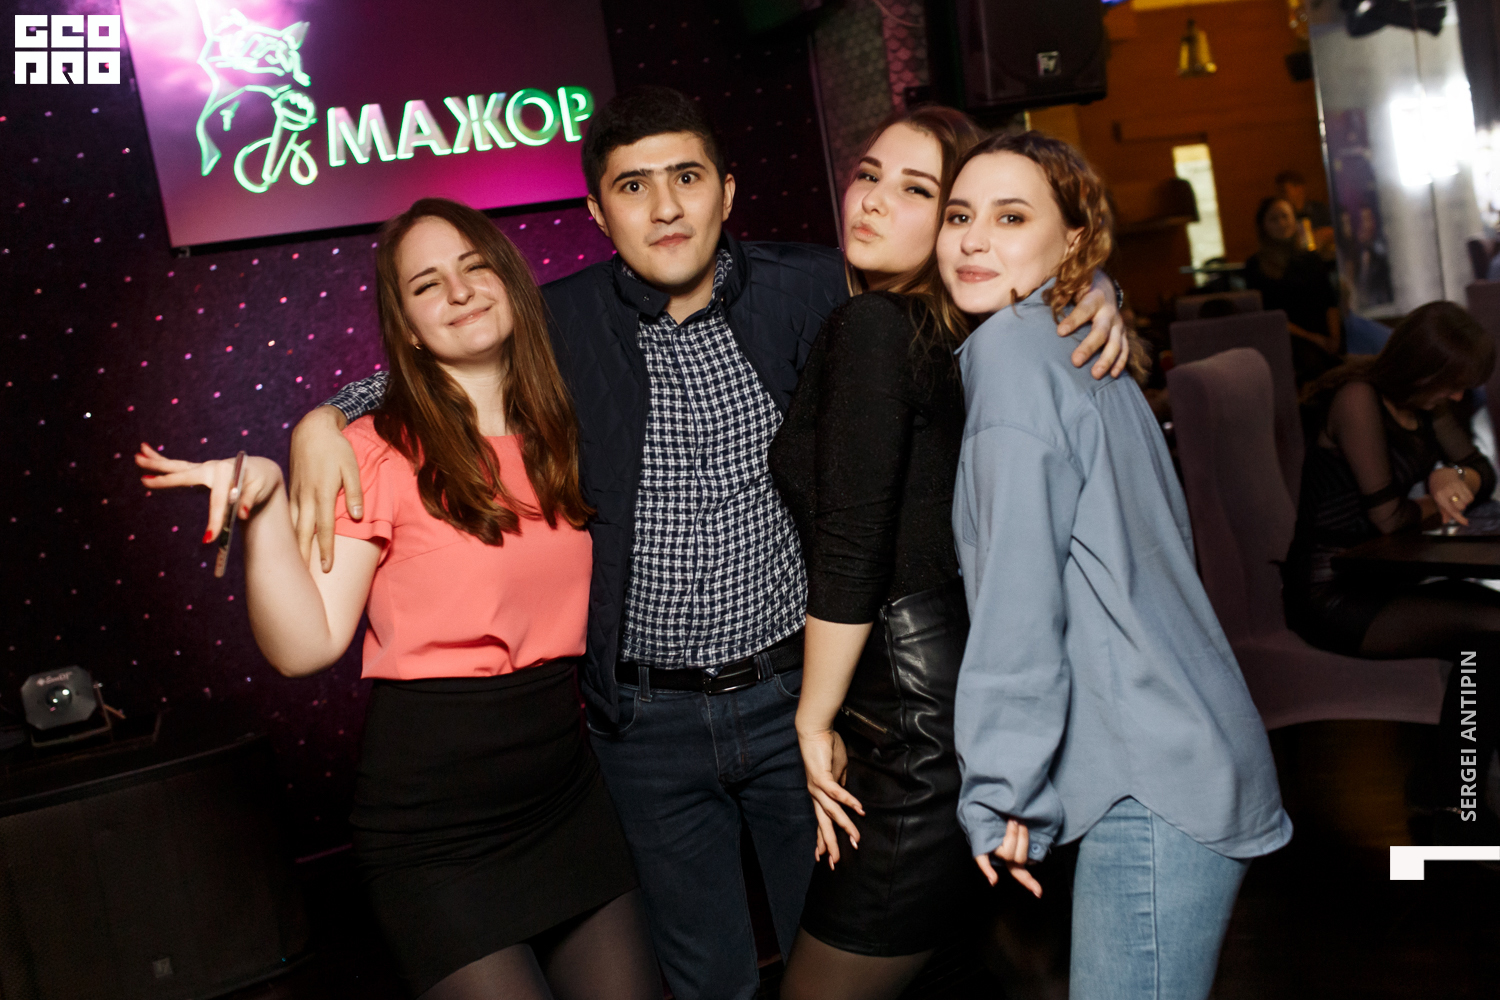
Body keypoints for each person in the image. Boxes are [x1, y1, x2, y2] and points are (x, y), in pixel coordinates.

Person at [286, 88, 1128, 1000]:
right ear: (598, 213)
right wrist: (325, 417)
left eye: (686, 178)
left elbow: (956, 288)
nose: (665, 207)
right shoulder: (557, 323)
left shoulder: (818, 286)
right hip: (644, 730)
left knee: (833, 955)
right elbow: (442, 363)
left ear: (726, 192)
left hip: (796, 703)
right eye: (633, 187)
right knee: (703, 980)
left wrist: (1091, 289)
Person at [135, 198, 658, 1000]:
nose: (459, 291)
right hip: (435, 825)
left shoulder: (568, 425)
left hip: (565, 794)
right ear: (406, 326)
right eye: (426, 284)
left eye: (475, 267)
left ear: (511, 284)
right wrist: (268, 506)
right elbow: (306, 646)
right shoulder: (373, 449)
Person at [770, 107, 1135, 1000]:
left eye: (918, 191)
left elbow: (854, 545)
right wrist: (1097, 288)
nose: (873, 200)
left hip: (914, 728)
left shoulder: (876, 327)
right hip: (947, 707)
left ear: (954, 224)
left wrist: (813, 721)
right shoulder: (975, 339)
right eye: (868, 175)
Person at [938, 131, 1293, 1000]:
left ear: (1073, 241)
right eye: (958, 216)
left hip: (1151, 778)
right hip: (1178, 750)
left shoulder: (1014, 359)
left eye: (1010, 217)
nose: (974, 239)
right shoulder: (1072, 340)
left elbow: (1019, 604)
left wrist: (1001, 787)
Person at [1245, 196, 1343, 386]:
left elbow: (1329, 302)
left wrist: (1335, 337)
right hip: (1289, 338)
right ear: (1263, 226)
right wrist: (1314, 339)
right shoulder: (1256, 266)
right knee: (1312, 365)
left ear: (1294, 220)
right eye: (1274, 219)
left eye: (1285, 217)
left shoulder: (1311, 259)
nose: (1282, 223)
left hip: (1324, 334)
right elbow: (1269, 314)